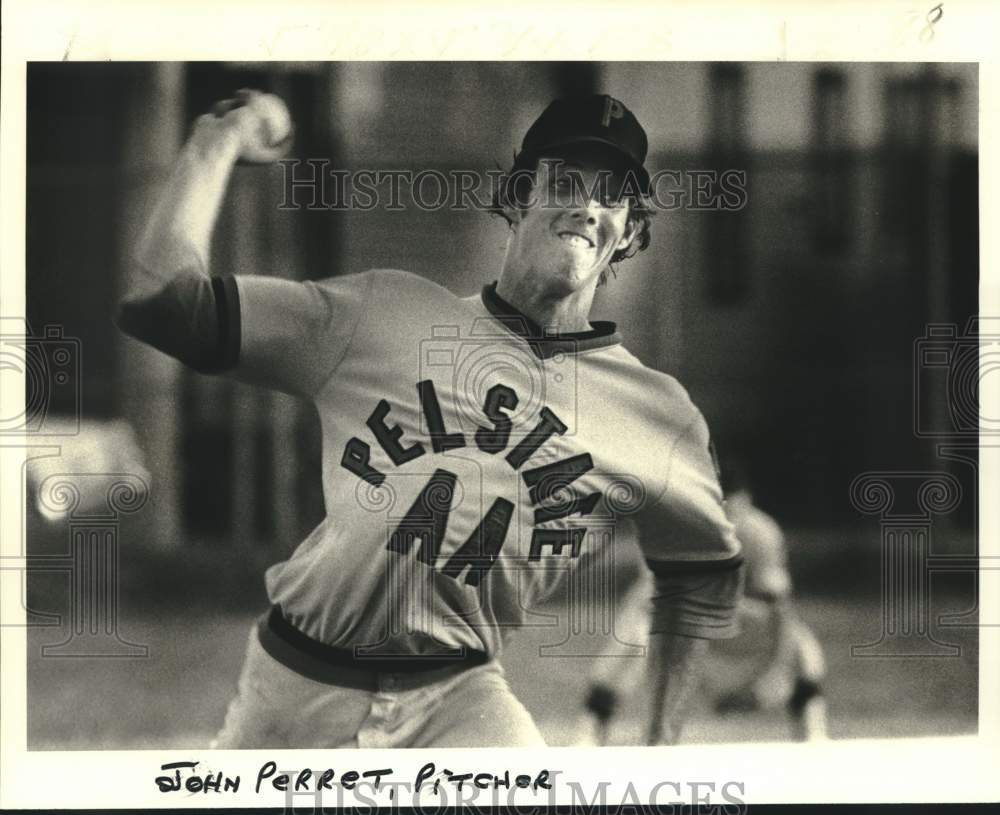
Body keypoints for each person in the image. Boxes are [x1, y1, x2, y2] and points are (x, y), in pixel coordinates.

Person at [116, 89, 744, 748]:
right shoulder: (380, 314)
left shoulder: (656, 415)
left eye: (612, 195)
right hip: (296, 684)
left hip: (458, 699)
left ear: (632, 232)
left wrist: (660, 744)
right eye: (564, 180)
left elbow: (700, 572)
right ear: (518, 194)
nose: (588, 205)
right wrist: (215, 143)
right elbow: (164, 305)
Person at [576, 465, 828, 745]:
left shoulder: (759, 534)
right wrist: (696, 679)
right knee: (633, 636)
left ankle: (813, 738)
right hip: (678, 619)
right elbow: (654, 605)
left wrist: (767, 681)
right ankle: (591, 731)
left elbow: (778, 611)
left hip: (730, 618)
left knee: (803, 647)